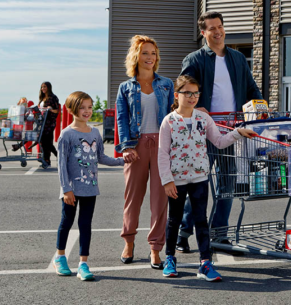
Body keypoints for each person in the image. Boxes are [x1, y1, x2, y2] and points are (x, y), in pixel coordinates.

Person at [158, 75, 257, 279]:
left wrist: (238, 133)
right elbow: (162, 153)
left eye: (196, 93)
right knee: (174, 220)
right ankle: (170, 258)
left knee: (201, 219)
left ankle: (205, 263)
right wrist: (167, 180)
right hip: (176, 181)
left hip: (200, 178)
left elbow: (219, 141)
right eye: (187, 93)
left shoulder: (204, 118)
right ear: (177, 95)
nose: (193, 97)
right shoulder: (168, 121)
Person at [179, 10, 262, 252]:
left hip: (231, 133)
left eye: (220, 26)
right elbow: (183, 89)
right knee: (198, 185)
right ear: (203, 33)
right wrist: (195, 104)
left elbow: (251, 89)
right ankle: (183, 231)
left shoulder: (237, 59)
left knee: (228, 184)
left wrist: (261, 109)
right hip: (203, 133)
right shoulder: (195, 59)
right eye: (211, 28)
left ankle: (219, 234)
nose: (217, 31)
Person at [53, 91, 136, 280]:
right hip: (71, 189)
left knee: (85, 225)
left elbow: (101, 157)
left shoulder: (95, 133)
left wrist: (123, 160)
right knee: (66, 222)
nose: (86, 111)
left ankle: (83, 263)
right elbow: (61, 165)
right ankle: (60, 257)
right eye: (82, 107)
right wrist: (66, 189)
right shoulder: (66, 135)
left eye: (89, 107)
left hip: (90, 188)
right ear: (71, 109)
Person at [115, 35, 175, 269]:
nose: (150, 57)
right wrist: (126, 147)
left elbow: (173, 116)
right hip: (136, 146)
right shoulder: (125, 87)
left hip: (162, 146)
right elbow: (121, 118)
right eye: (145, 53)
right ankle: (128, 242)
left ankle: (155, 248)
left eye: (153, 53)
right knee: (132, 198)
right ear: (136, 56)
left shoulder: (167, 84)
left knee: (160, 201)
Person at [38, 82, 60, 167]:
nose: (43, 88)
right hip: (42, 122)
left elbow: (57, 110)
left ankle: (55, 157)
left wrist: (50, 109)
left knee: (46, 141)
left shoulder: (53, 97)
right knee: (43, 141)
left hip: (49, 123)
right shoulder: (42, 98)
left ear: (49, 88)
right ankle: (47, 160)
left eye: (44, 87)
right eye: (42, 87)